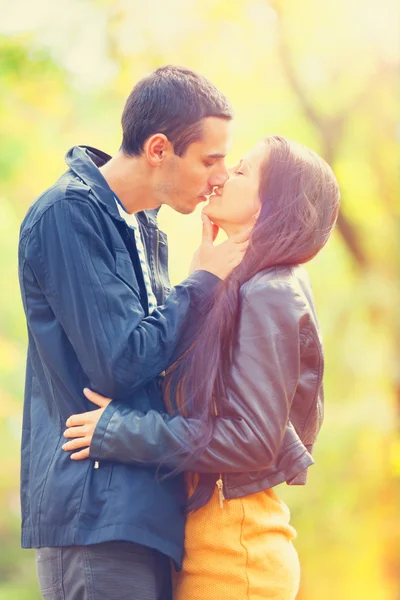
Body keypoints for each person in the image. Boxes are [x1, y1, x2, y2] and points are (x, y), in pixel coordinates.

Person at [63, 134, 341, 600]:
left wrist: (120, 431)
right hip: (209, 554)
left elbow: (251, 440)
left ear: (272, 205)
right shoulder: (244, 289)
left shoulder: (272, 291)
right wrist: (200, 281)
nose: (222, 176)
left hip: (236, 561)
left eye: (242, 171)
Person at [18, 65, 251, 600]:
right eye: (210, 160)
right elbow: (120, 364)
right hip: (95, 516)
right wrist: (201, 281)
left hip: (145, 515)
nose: (220, 176)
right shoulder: (69, 214)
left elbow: (156, 362)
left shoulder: (141, 227)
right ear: (159, 148)